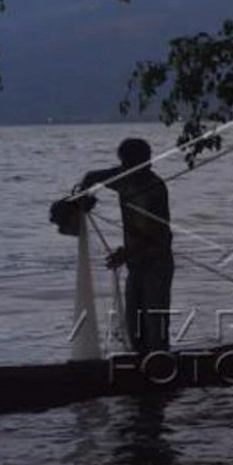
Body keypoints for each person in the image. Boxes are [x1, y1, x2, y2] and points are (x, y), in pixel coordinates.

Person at [79, 138, 174, 354]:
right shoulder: (123, 179)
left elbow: (158, 235)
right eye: (124, 163)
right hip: (135, 264)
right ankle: (139, 368)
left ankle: (160, 368)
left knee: (155, 327)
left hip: (156, 264)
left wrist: (125, 253)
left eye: (131, 163)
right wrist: (84, 196)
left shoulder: (155, 189)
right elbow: (91, 177)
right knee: (134, 326)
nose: (125, 167)